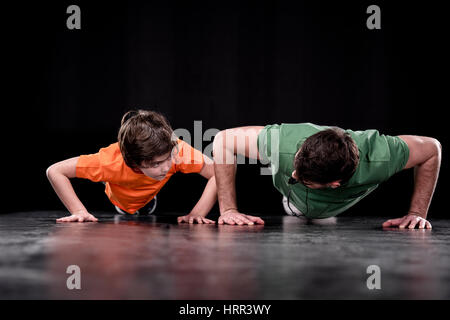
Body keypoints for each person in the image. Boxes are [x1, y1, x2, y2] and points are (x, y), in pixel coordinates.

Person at [212, 123, 441, 228]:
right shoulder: (282, 142)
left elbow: (432, 149)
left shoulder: (381, 157)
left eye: (302, 178)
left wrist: (417, 213)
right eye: (295, 167)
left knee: (322, 220)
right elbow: (222, 139)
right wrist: (229, 210)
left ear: (335, 183)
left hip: (335, 207)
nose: (293, 173)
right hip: (293, 201)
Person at [47, 109, 217, 224]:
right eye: (156, 164)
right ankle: (107, 183)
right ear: (134, 163)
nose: (166, 167)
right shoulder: (110, 161)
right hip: (117, 198)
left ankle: (148, 198)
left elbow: (219, 173)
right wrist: (79, 211)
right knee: (110, 180)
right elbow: (55, 171)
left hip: (153, 195)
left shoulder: (177, 152)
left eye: (168, 158)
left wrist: (197, 213)